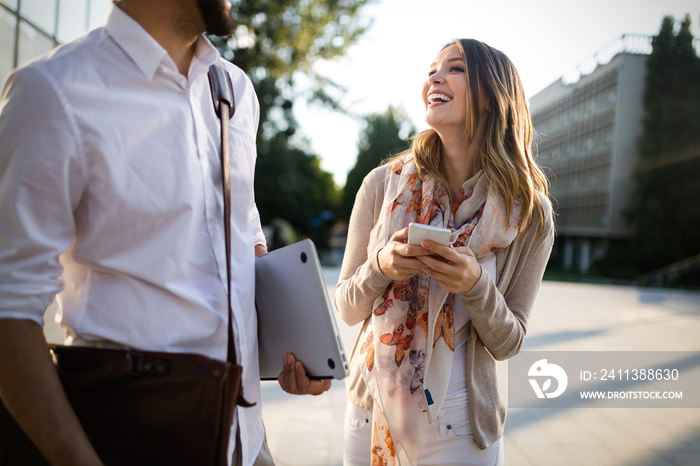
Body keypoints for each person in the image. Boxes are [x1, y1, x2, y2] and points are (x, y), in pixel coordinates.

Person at [0, 1, 329, 465]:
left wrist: (292, 347)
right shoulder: (52, 93)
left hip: (247, 440)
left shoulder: (236, 90)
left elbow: (243, 227)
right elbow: (8, 311)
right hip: (134, 437)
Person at [335, 38, 555, 466]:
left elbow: (509, 342)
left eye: (454, 68)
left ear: (492, 97)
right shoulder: (382, 184)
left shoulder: (529, 212)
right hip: (371, 412)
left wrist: (475, 286)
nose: (434, 77)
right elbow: (346, 307)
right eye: (431, 69)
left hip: (461, 423)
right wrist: (381, 267)